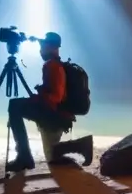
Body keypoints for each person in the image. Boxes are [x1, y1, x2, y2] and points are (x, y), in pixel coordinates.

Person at [6, 32, 93, 173]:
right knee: (52, 156)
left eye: (43, 47)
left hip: (55, 115)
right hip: (60, 115)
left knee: (14, 105)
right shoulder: (56, 64)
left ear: (52, 47)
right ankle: (81, 146)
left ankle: (24, 157)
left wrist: (36, 98)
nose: (40, 51)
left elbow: (56, 97)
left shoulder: (52, 66)